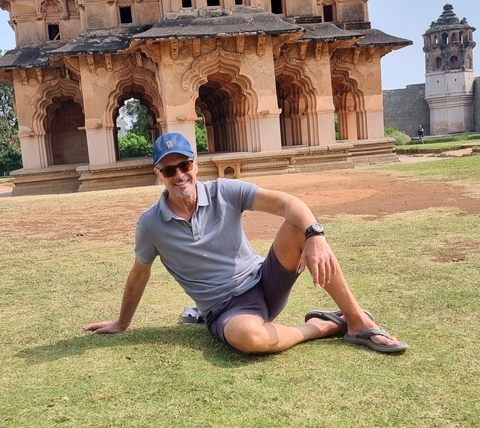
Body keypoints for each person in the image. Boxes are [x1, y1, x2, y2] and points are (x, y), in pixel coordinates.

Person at [84, 133, 408, 355]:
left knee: (300, 227)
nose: (180, 175)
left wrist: (316, 235)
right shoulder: (151, 225)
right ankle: (321, 327)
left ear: (195, 164)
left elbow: (286, 203)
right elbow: (139, 274)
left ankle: (357, 321)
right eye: (170, 170)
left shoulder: (224, 190)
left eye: (185, 165)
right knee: (249, 338)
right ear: (158, 174)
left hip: (264, 280)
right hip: (228, 310)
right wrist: (122, 323)